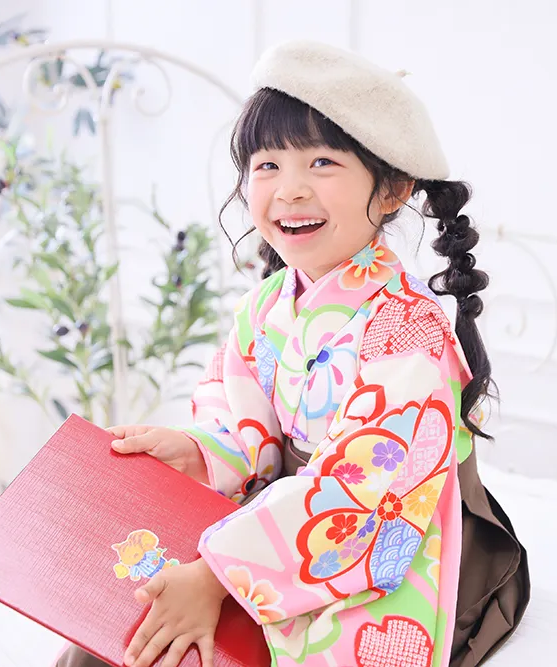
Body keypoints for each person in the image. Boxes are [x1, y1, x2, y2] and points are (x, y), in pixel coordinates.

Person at [56, 39, 528, 667]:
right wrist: (199, 450)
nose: (290, 189)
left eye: (323, 162)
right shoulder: (265, 306)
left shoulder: (406, 329)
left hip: (392, 530)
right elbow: (240, 418)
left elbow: (365, 493)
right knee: (110, 636)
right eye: (268, 165)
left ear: (392, 189)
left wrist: (218, 574)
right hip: (291, 528)